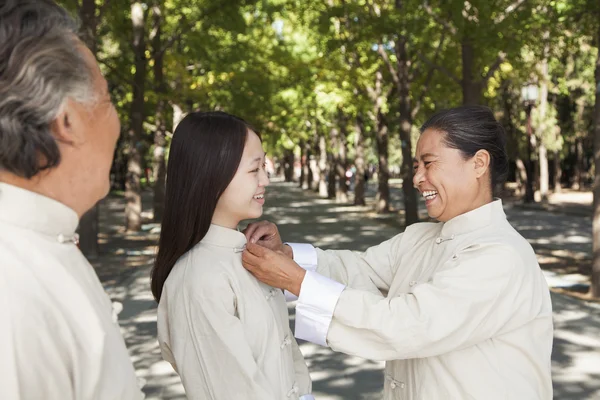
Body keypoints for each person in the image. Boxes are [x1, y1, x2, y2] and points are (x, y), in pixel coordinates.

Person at [242, 105, 553, 399]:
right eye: (416, 166)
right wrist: (287, 256)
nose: (418, 178)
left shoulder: (500, 256)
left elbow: (407, 326)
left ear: (479, 163)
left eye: (429, 163)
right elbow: (359, 269)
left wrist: (296, 281)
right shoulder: (421, 237)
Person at [0, 1, 143, 399]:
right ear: (67, 121)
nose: (115, 120)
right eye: (109, 99)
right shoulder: (12, 288)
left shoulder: (41, 244)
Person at [151, 111, 314, 400]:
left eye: (264, 167)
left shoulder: (248, 255)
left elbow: (286, 360)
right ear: (212, 176)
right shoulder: (199, 278)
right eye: (254, 170)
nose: (265, 179)